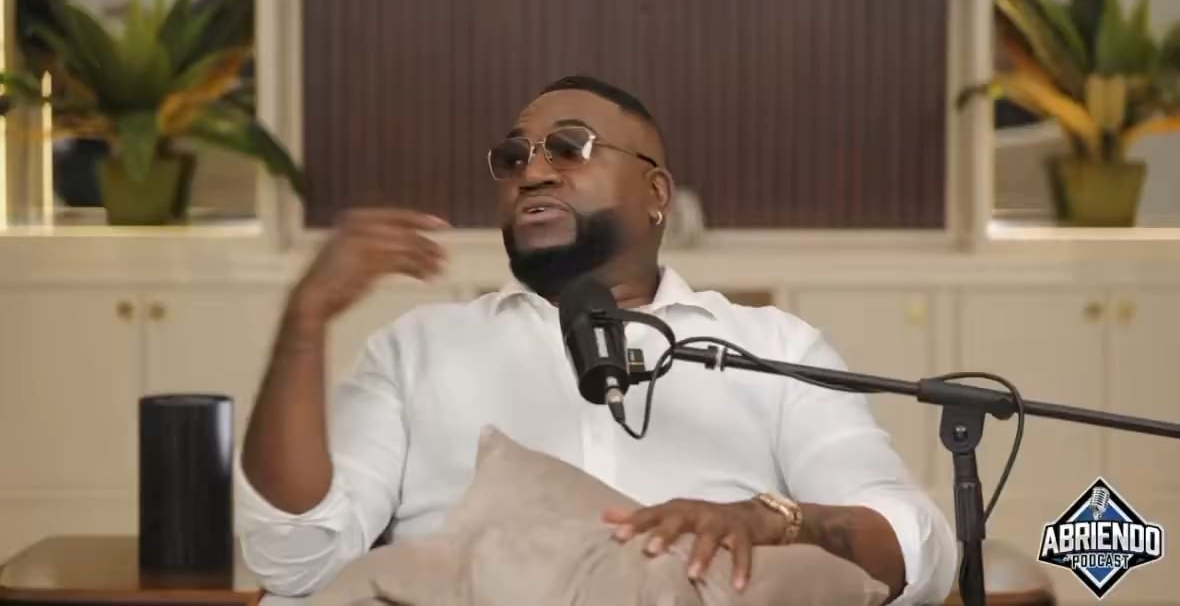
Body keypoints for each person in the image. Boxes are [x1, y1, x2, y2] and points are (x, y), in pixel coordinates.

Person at [236, 75, 958, 604]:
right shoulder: (416, 349)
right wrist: (304, 325)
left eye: (569, 147)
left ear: (656, 194)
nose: (532, 172)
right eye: (512, 158)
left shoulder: (772, 349)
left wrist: (772, 521)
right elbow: (296, 558)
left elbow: (916, 544)